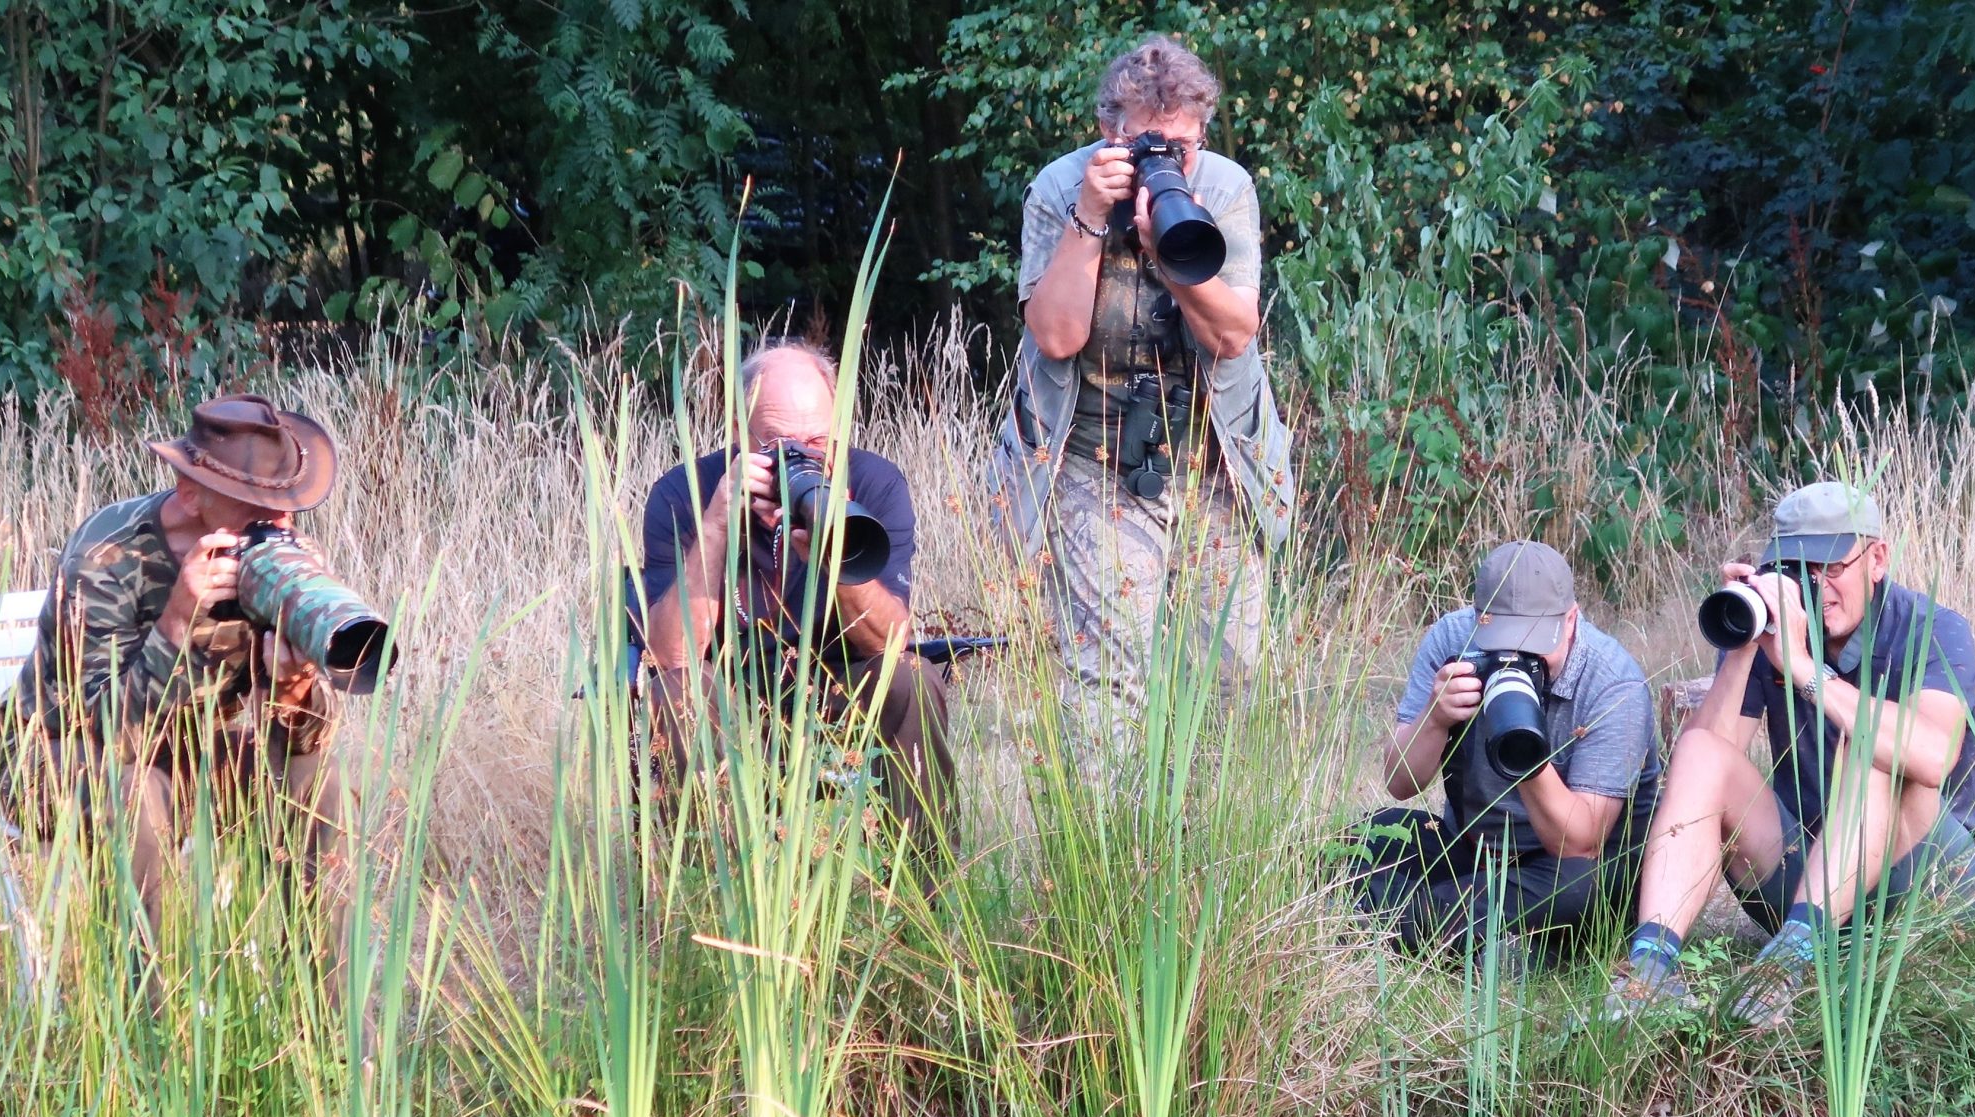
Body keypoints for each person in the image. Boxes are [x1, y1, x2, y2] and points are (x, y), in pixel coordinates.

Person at [987, 34, 1295, 710]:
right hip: (1092, 456)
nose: (1166, 163)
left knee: (1231, 677)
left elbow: (1233, 335)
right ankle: (1111, 820)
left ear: (1203, 137)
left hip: (1213, 457)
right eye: (1145, 147)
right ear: (1107, 131)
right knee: (1106, 672)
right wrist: (1091, 219)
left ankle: (1215, 820)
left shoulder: (1223, 187)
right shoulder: (1060, 189)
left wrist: (1171, 255)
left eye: (1180, 148)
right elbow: (1056, 336)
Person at [1608, 480, 1975, 1023]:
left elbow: (1931, 756)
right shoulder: (1776, 633)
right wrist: (1743, 646)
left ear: (1877, 558)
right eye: (1799, 570)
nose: (1818, 586)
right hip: (1814, 877)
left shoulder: (1932, 628)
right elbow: (1711, 764)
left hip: (1925, 882)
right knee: (1698, 748)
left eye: (1832, 567)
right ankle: (1648, 972)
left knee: (1873, 745)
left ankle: (1787, 962)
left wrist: (1804, 669)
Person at [10, 393, 352, 942]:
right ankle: (150, 1015)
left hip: (188, 753)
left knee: (316, 778)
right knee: (133, 790)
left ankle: (328, 1014)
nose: (276, 524)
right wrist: (176, 623)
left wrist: (294, 692)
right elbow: (104, 731)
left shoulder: (278, 559)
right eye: (254, 508)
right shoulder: (106, 557)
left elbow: (311, 736)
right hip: (57, 755)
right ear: (191, 495)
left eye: (284, 506)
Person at [636, 339, 952, 842]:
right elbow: (668, 657)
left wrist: (837, 551)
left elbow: (891, 642)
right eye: (780, 446)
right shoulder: (684, 492)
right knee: (675, 694)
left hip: (836, 701)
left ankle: (922, 906)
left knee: (911, 678)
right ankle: (702, 901)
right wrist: (717, 526)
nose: (801, 460)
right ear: (739, 432)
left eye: (819, 443)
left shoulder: (873, 484)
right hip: (730, 703)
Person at [1353, 541, 1662, 960]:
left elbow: (1581, 844)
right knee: (1367, 837)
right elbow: (1399, 783)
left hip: (1569, 869)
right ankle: (1489, 939)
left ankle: (1382, 918)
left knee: (1578, 890)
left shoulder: (1612, 683)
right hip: (1476, 847)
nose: (1516, 657)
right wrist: (1434, 717)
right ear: (1479, 618)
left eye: (1535, 644)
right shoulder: (1453, 639)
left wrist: (1523, 749)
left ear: (1570, 621)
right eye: (1501, 641)